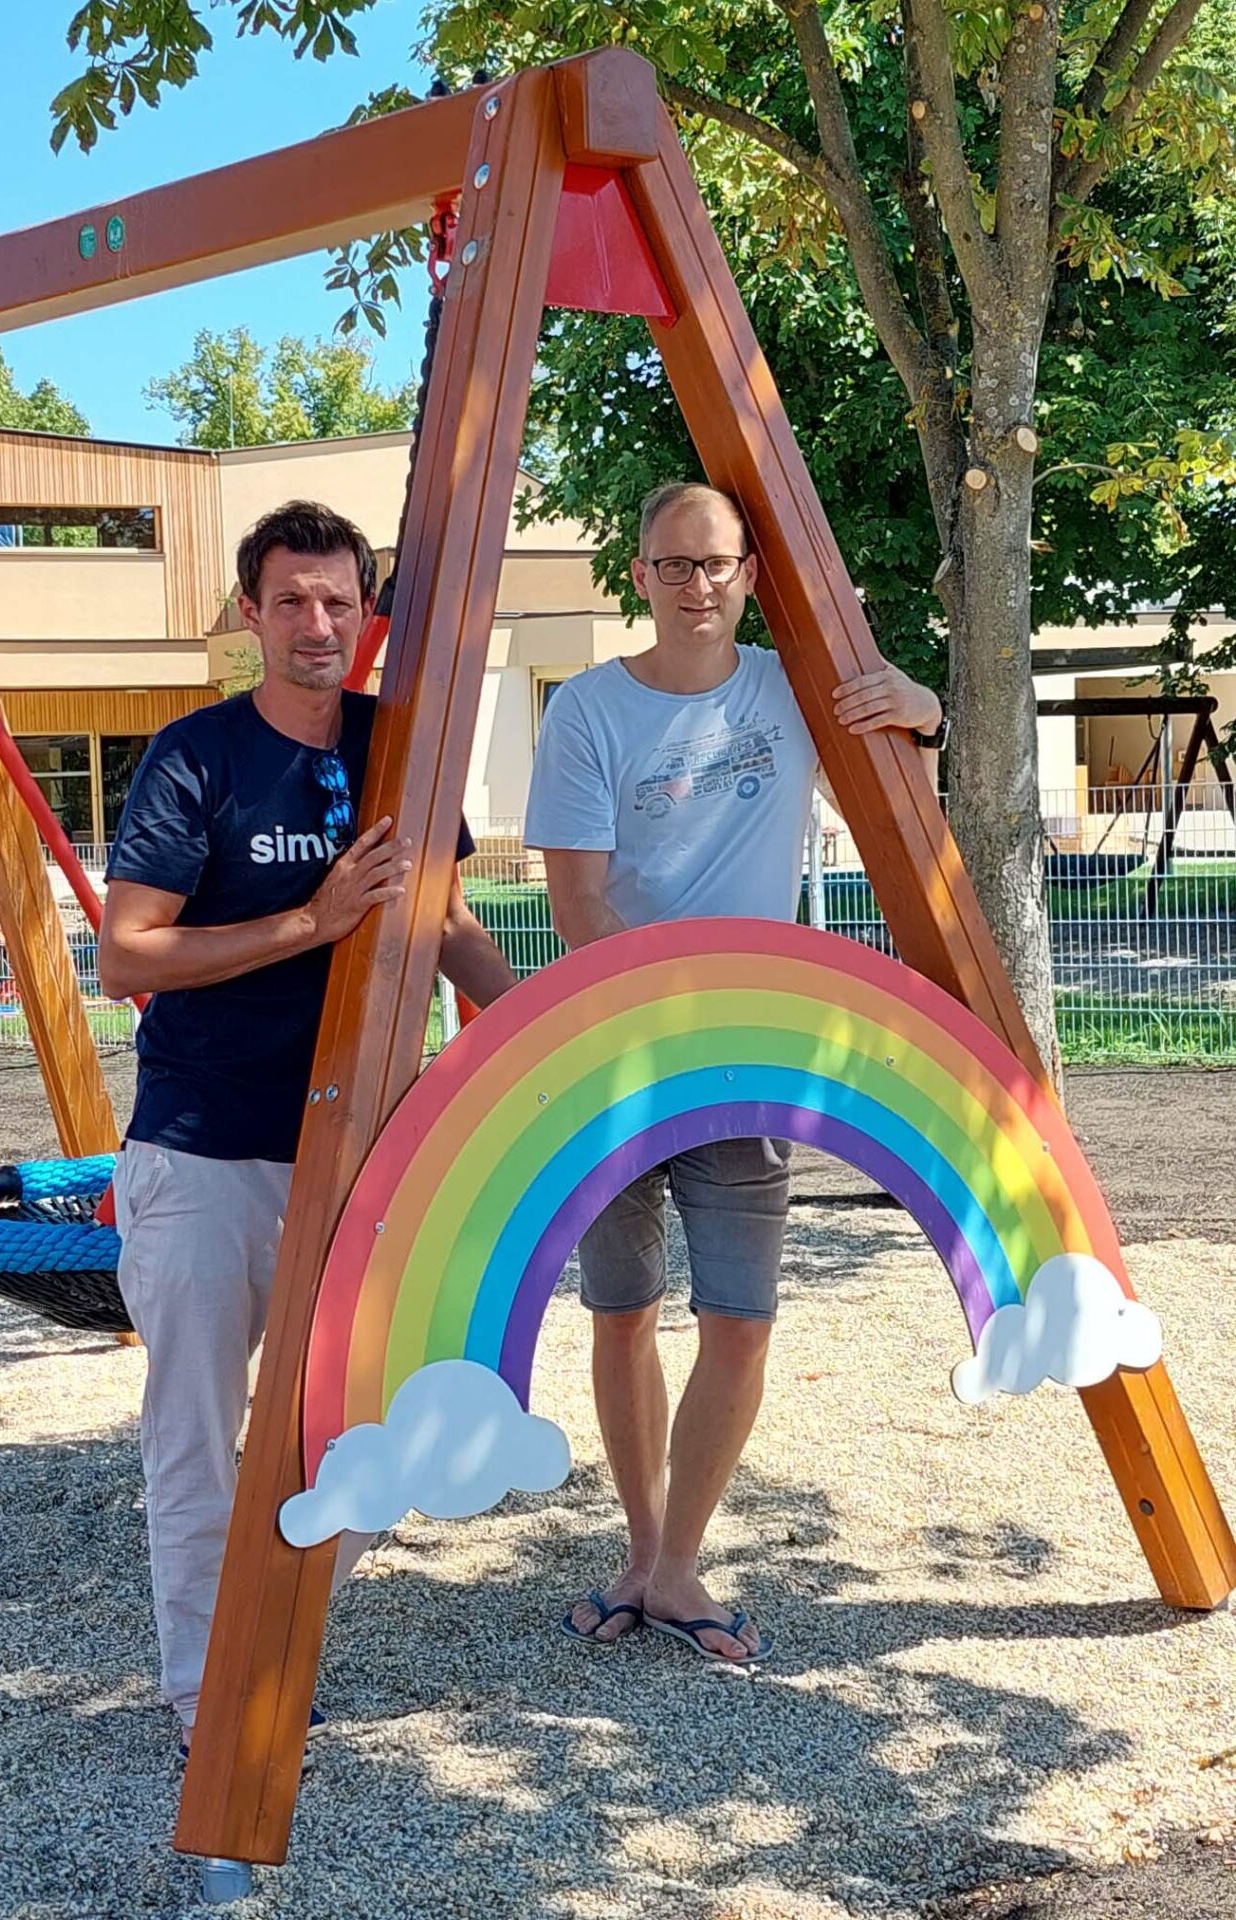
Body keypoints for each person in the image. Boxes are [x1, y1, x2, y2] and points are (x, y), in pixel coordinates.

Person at [99, 499, 520, 1747]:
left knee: (382, 1423)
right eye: (290, 599)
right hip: (203, 1150)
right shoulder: (196, 758)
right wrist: (308, 923)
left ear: (366, 614)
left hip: (363, 1155)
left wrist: (547, 1035)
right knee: (196, 1438)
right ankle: (206, 1699)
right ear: (251, 613)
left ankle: (267, 1638)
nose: (316, 623)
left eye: (337, 601)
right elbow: (127, 957)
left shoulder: (404, 750)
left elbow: (444, 926)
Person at [524, 479, 945, 1665]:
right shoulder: (590, 715)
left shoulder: (786, 689)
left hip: (752, 1064)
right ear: (640, 575)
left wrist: (926, 710)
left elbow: (904, 750)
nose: (695, 584)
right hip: (620, 1054)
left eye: (715, 564)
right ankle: (641, 1546)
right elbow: (577, 904)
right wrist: (686, 1014)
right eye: (672, 563)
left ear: (750, 574)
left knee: (742, 1317)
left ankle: (673, 1568)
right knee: (622, 1312)